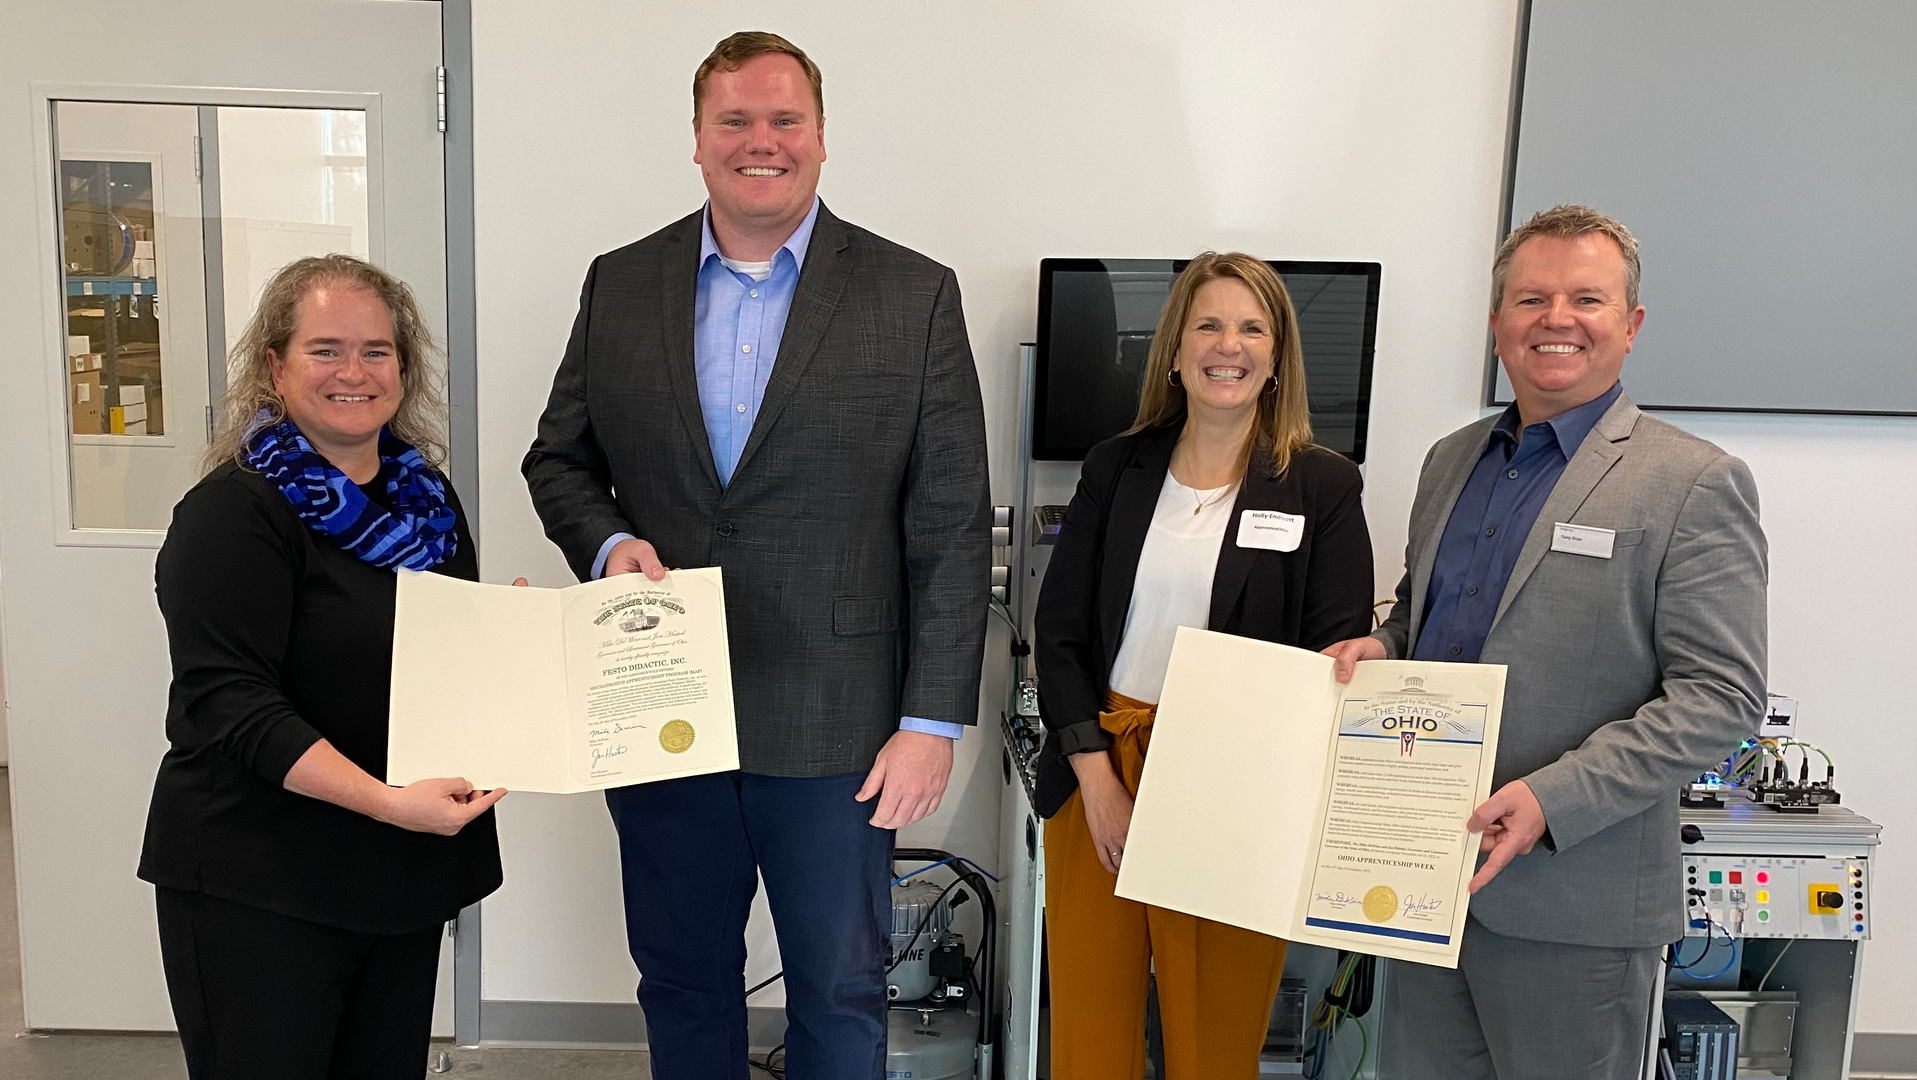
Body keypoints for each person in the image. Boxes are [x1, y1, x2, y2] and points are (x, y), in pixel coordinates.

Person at [520, 31, 989, 1080]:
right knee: (681, 979)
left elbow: (951, 519)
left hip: (839, 722)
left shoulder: (913, 296)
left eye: (784, 120)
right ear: (696, 140)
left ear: (822, 138)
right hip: (658, 705)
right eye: (735, 120)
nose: (760, 141)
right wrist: (607, 547)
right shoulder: (622, 284)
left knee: (840, 989)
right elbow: (557, 461)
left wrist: (929, 721)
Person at [1323, 205, 1767, 1080]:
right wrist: (1384, 646)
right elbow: (1422, 615)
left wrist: (1552, 799)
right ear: (1496, 324)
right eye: (1530, 298)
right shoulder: (1450, 460)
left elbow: (1719, 696)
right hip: (1422, 882)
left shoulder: (1692, 481)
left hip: (1576, 902)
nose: (1555, 318)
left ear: (1630, 326)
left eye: (1585, 299)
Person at [140, 255, 505, 1079]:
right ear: (275, 366)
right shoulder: (232, 513)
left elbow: (442, 654)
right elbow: (231, 705)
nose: (354, 372)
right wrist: (384, 803)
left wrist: (513, 641)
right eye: (326, 349)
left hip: (396, 877)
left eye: (377, 351)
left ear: (403, 370)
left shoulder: (426, 501)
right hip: (262, 881)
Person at [1032, 253, 1376, 1079]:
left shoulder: (1322, 485)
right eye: (1209, 325)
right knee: (1090, 1040)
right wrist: (1099, 781)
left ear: (1278, 353)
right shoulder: (1116, 467)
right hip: (1100, 766)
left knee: (1213, 1044)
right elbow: (1061, 629)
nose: (1230, 345)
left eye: (1252, 327)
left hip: (1237, 790)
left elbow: (1335, 647)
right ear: (1175, 351)